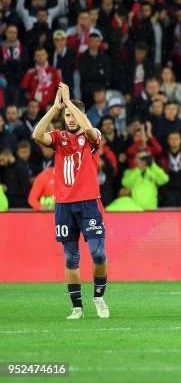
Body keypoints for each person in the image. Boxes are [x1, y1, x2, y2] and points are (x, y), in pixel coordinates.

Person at [31, 83, 109, 320]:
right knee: (70, 257)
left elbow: (89, 129)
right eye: (67, 115)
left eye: (73, 115)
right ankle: (77, 307)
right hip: (64, 205)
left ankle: (99, 297)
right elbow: (36, 135)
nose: (70, 119)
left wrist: (73, 108)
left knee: (98, 254)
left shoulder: (92, 138)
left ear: (82, 116)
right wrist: (55, 107)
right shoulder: (58, 138)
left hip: (89, 203)